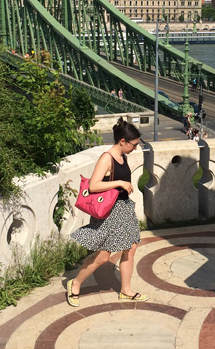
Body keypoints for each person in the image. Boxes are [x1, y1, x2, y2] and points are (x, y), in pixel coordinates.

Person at [67, 118, 146, 306]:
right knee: (104, 256)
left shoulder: (122, 156)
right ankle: (75, 283)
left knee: (131, 247)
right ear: (122, 141)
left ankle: (126, 290)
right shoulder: (107, 158)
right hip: (110, 212)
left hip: (123, 209)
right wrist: (119, 183)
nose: (135, 148)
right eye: (133, 145)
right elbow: (93, 185)